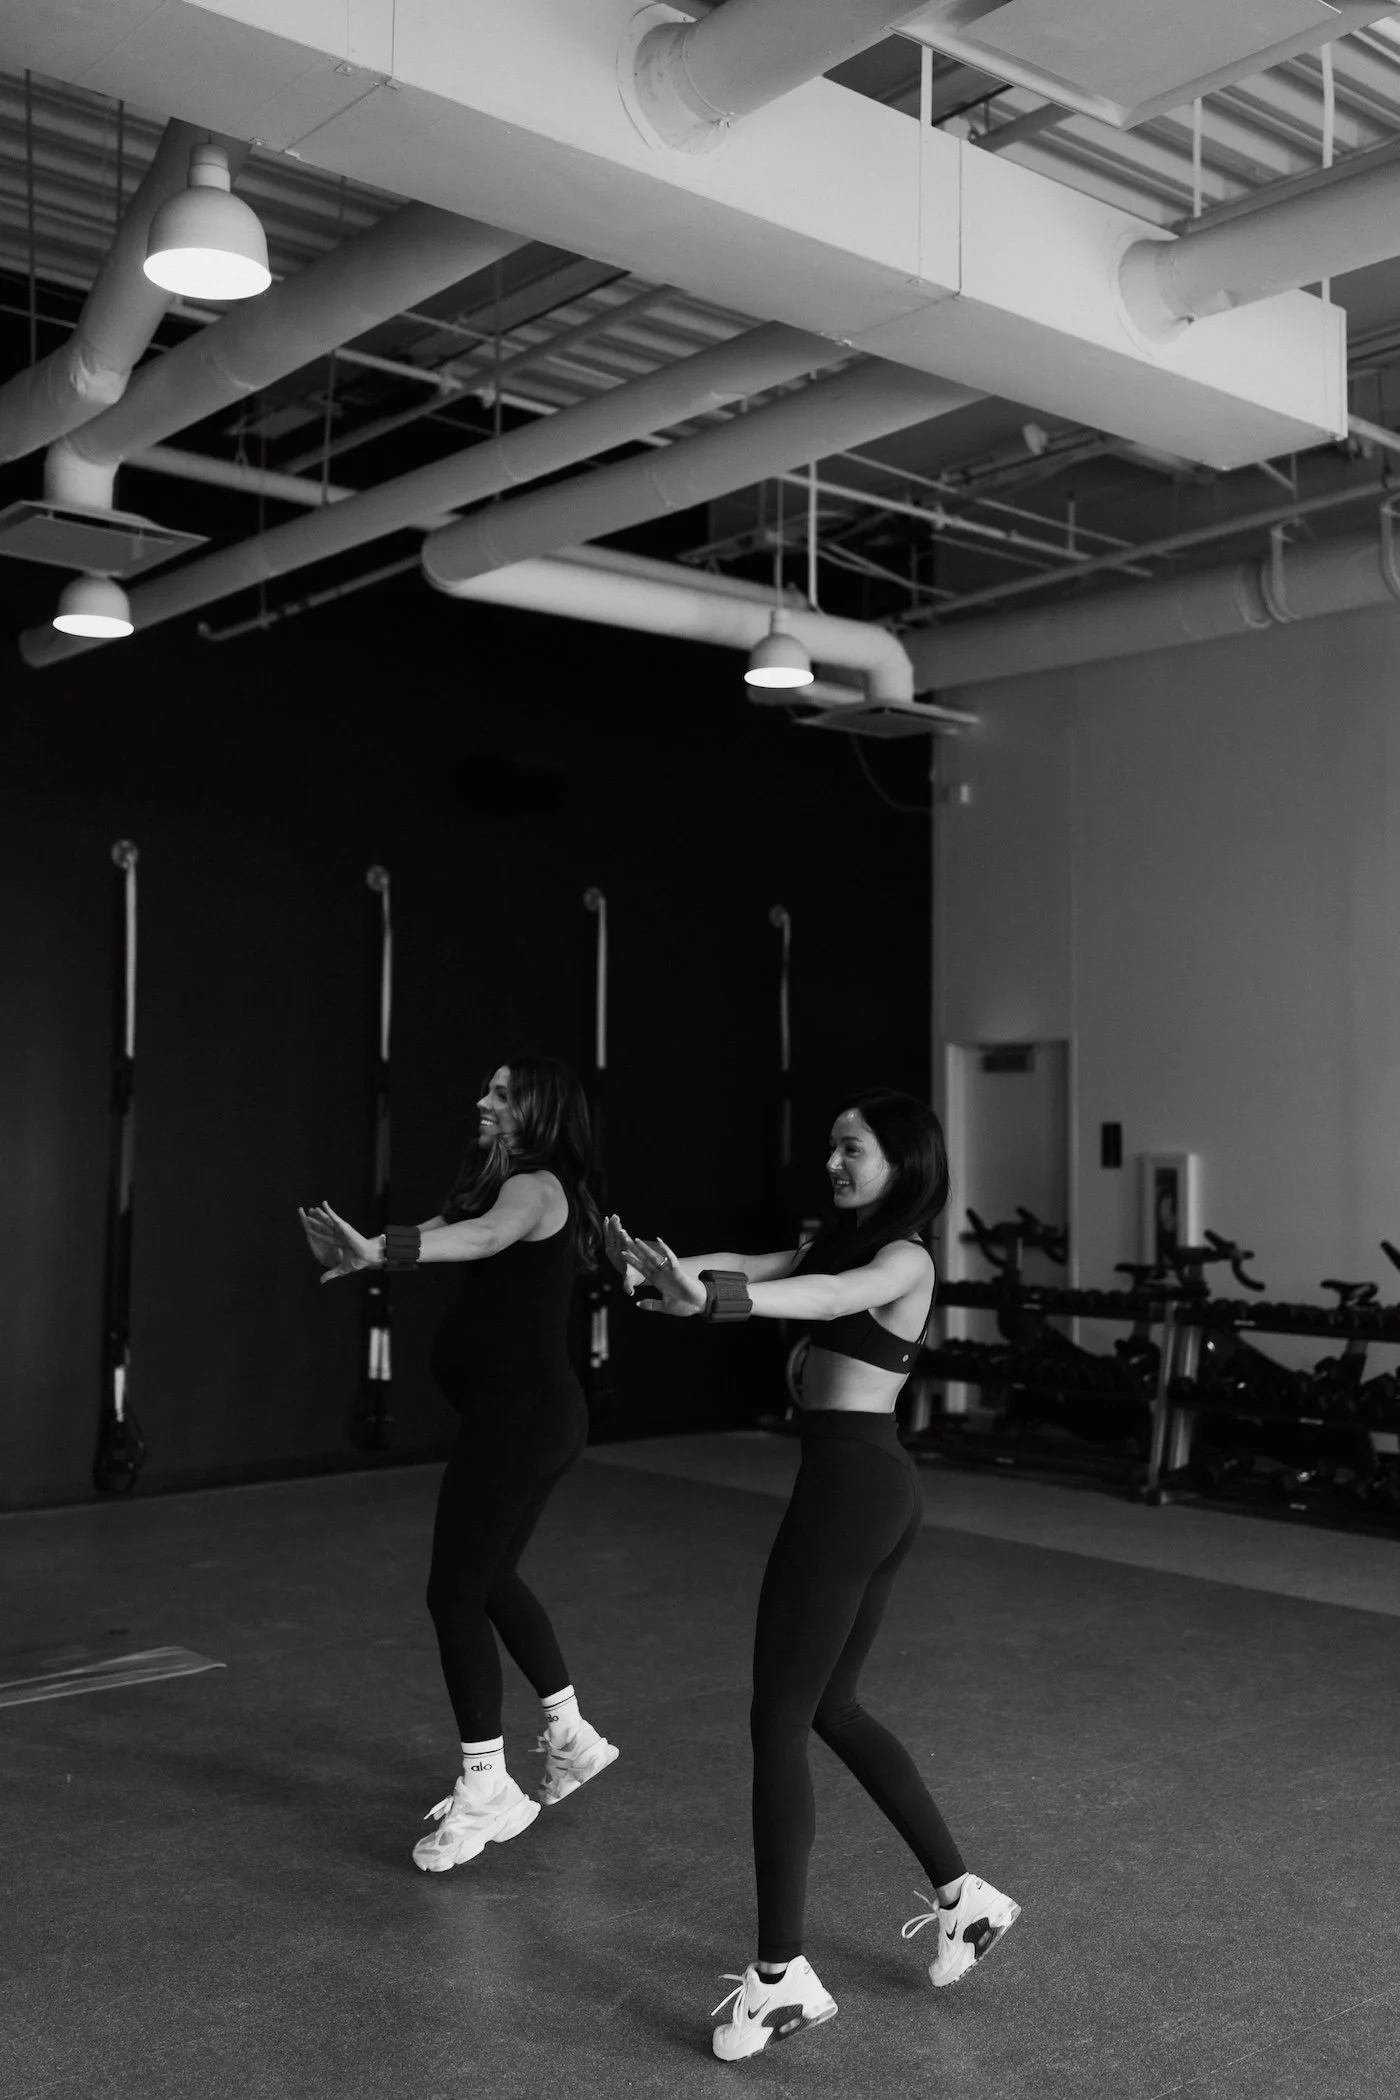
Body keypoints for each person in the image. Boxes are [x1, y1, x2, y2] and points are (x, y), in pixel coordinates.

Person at [606, 1088, 1018, 2062]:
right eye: (830, 1148)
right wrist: (658, 1269)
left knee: (777, 1719)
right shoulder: (837, 1240)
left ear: (902, 1162)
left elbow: (823, 1300)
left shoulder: (901, 1258)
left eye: (852, 1150)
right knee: (830, 1707)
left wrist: (714, 1299)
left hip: (852, 1492)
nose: (833, 1164)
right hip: (860, 1484)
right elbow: (762, 1268)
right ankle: (966, 1899)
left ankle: (780, 1976)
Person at [300, 1057, 618, 1872]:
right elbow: (456, 1229)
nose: (482, 1100)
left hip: (523, 1419)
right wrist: (378, 1254)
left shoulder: (539, 1186)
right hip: (523, 1416)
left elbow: (480, 1238)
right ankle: (572, 1734)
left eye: (503, 1094)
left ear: (539, 1113)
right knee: (493, 1578)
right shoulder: (504, 1179)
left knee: (455, 1590)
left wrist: (378, 1247)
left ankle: (489, 1785)